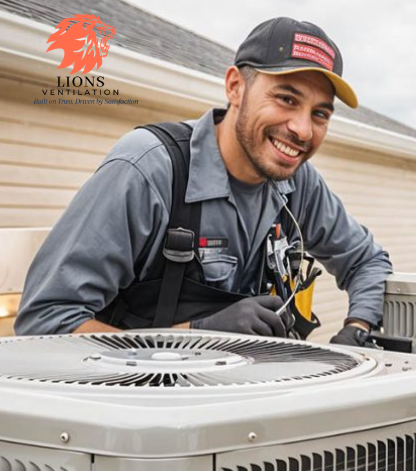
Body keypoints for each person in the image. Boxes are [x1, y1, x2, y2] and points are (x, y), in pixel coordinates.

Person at [16, 17, 391, 345]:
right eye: (286, 99)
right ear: (235, 87)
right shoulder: (149, 170)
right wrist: (198, 336)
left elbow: (368, 262)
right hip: (136, 410)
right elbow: (45, 323)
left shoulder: (298, 185)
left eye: (320, 113)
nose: (303, 130)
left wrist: (356, 330)